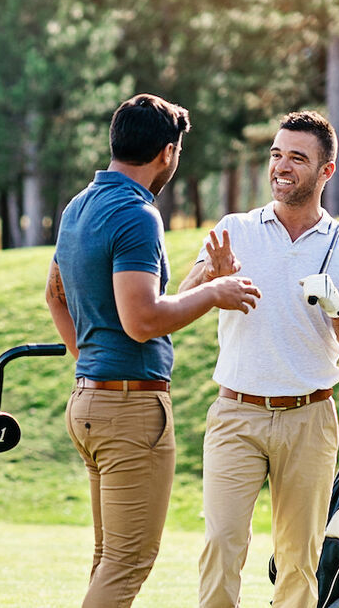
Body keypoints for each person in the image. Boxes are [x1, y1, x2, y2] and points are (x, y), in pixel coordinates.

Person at [45, 93, 263, 608]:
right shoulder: (138, 215)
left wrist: (203, 277)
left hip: (92, 402)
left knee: (108, 559)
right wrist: (214, 294)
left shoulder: (81, 205)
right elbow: (142, 321)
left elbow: (55, 294)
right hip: (129, 410)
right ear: (168, 153)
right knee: (127, 564)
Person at [178, 110, 339, 608]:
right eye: (276, 155)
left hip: (310, 417)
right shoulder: (235, 229)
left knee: (299, 558)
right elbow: (179, 299)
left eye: (297, 157)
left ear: (327, 171)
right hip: (236, 414)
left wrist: (337, 310)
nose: (281, 167)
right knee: (223, 545)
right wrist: (213, 281)